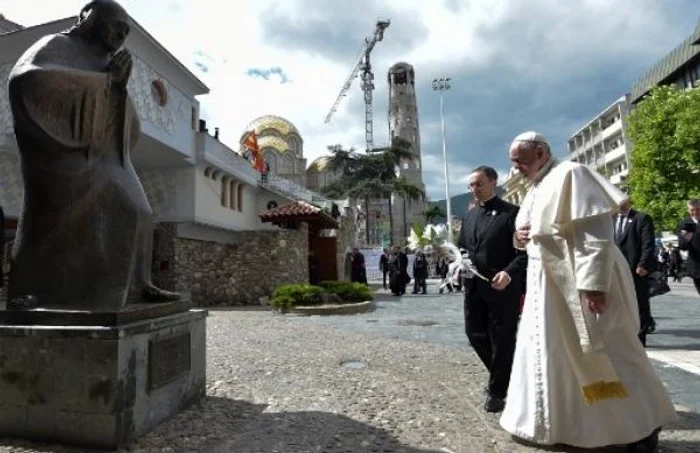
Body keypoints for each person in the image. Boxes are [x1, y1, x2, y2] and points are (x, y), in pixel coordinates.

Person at [500, 131, 677, 451]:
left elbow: (595, 235)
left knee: (608, 350)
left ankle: (642, 425)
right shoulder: (533, 189)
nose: (516, 168)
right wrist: (520, 235)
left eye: (520, 160)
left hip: (579, 281)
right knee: (554, 355)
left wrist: (593, 286)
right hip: (545, 288)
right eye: (513, 162)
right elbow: (526, 238)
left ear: (541, 153)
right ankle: (570, 426)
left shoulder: (571, 174)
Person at [7, 0, 180, 310]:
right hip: (61, 160)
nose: (120, 36)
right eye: (116, 26)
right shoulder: (57, 44)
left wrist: (117, 87)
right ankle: (36, 288)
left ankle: (139, 285)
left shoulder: (105, 62)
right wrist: (106, 83)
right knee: (55, 226)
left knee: (140, 210)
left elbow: (127, 121)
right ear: (90, 19)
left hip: (105, 155)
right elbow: (26, 80)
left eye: (126, 32)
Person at [457, 166, 527, 413]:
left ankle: (498, 391)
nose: (474, 189)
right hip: (474, 286)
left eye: (479, 184)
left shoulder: (512, 214)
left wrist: (508, 273)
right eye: (471, 185)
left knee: (502, 338)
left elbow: (524, 253)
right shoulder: (468, 216)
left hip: (502, 288)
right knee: (474, 333)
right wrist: (457, 263)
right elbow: (462, 249)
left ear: (493, 182)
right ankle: (507, 376)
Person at [614, 198, 656, 346]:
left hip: (636, 271)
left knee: (639, 304)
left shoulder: (641, 219)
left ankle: (640, 339)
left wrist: (643, 264)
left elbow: (648, 244)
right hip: (616, 271)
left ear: (628, 201)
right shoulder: (610, 220)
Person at [678, 199, 700, 296]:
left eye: (698, 209)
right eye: (692, 210)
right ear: (688, 210)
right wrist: (687, 238)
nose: (695, 212)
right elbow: (682, 246)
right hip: (696, 267)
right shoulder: (683, 224)